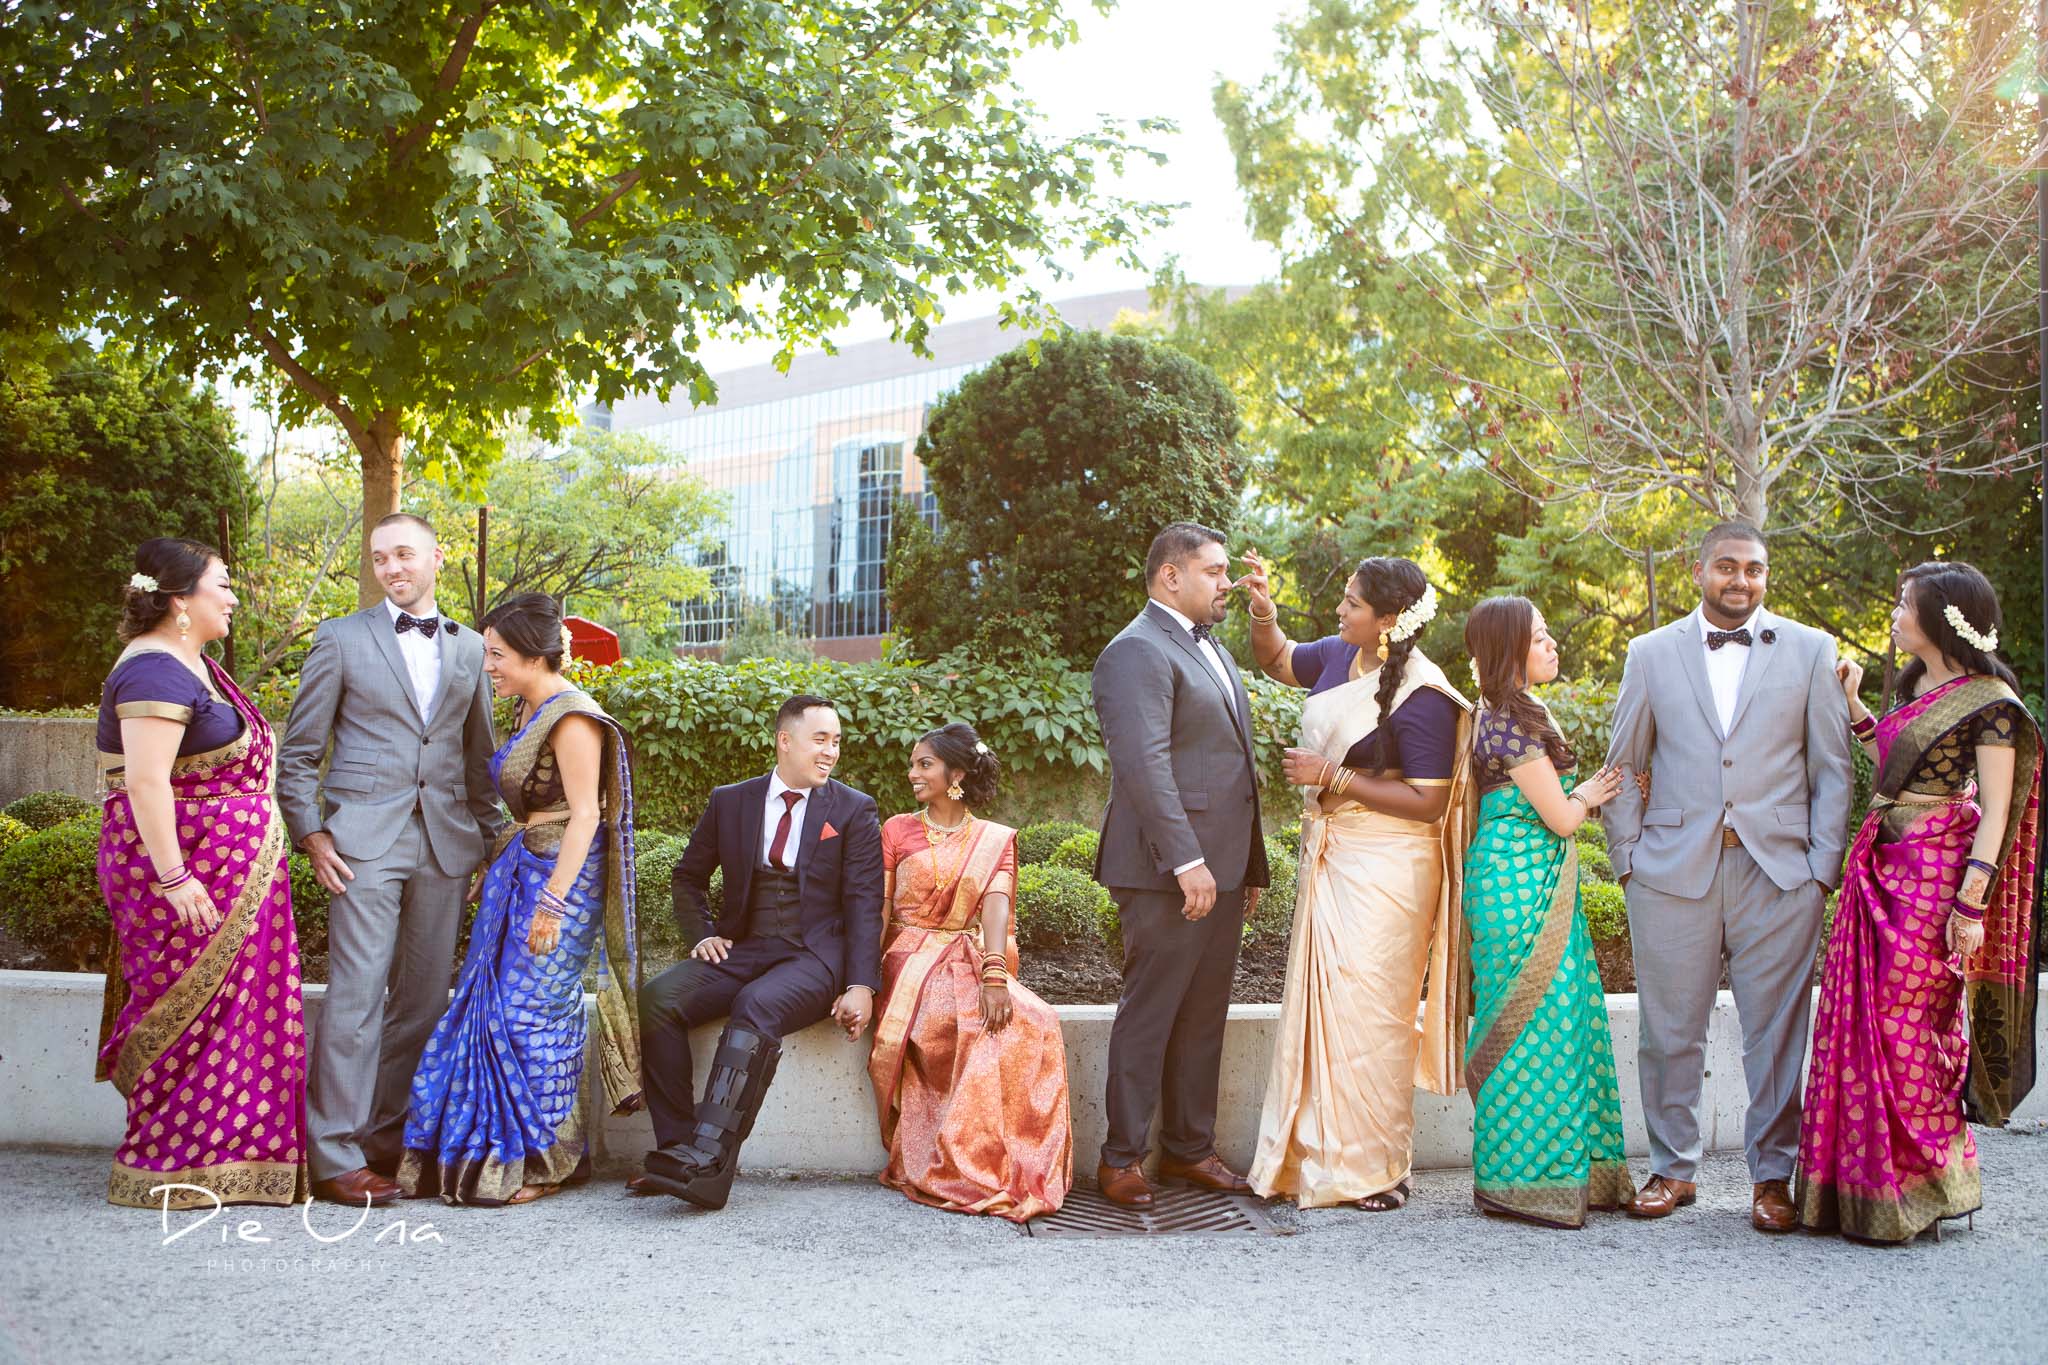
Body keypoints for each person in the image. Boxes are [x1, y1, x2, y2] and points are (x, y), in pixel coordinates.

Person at [1602, 521, 1854, 1232]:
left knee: (1775, 1033)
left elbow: (1832, 770)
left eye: (1755, 569)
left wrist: (1821, 872)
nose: (1741, 580)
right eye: (1727, 567)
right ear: (1699, 569)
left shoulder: (1811, 650)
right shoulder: (1650, 654)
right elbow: (1623, 764)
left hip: (1781, 874)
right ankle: (1673, 1166)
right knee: (1667, 1028)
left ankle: (1772, 1177)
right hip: (1671, 871)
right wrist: (1628, 861)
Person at [1797, 562, 2041, 1243]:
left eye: (1905, 604)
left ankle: (1921, 1185)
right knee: (1864, 1021)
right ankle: (1859, 1189)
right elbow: (1892, 770)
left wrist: (1971, 904)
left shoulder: (1990, 699)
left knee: (1910, 1023)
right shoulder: (1915, 685)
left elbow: (1995, 811)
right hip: (1882, 860)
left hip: (1936, 874)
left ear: (1942, 616)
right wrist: (1853, 704)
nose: (1897, 614)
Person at [277, 513, 503, 1207]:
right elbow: (300, 754)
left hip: (444, 844)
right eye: (379, 558)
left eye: (403, 554)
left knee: (423, 999)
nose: (392, 567)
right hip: (362, 844)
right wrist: (313, 834)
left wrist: (490, 848)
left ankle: (386, 1139)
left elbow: (479, 758)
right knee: (354, 996)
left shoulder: (469, 649)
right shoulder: (340, 638)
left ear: (436, 557)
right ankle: (335, 1153)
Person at [1240, 552, 1475, 1211]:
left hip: (1391, 864)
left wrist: (1331, 777)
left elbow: (1430, 800)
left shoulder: (1424, 695)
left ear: (1389, 621)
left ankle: (1375, 1166)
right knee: (1326, 1004)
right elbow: (1277, 659)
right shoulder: (1339, 656)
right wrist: (1263, 610)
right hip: (1335, 853)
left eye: (1352, 603)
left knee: (1371, 1010)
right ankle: (1314, 1154)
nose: (1339, 610)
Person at [397, 593, 643, 1205]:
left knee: (528, 1015)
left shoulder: (574, 716)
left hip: (564, 880)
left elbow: (586, 815)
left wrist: (552, 904)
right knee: (489, 1008)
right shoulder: (531, 711)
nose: (489, 666)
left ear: (535, 655)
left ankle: (546, 1160)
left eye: (498, 654)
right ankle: (504, 1154)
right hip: (524, 867)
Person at [94, 538, 308, 1209]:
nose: (233, 595)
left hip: (235, 878)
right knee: (187, 1015)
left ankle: (234, 1160)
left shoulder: (193, 664)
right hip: (187, 881)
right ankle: (169, 1163)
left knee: (238, 1021)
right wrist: (175, 877)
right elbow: (146, 781)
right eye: (223, 583)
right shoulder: (154, 671)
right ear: (181, 599)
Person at [633, 695, 885, 1209]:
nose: (831, 752)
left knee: (758, 1005)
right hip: (745, 947)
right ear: (784, 740)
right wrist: (701, 932)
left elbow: (864, 902)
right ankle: (677, 1151)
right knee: (658, 998)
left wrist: (861, 984)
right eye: (821, 739)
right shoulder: (733, 801)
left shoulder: (854, 809)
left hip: (815, 957)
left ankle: (709, 1164)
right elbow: (688, 877)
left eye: (836, 741)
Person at [1090, 523, 1270, 1208]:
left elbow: (1230, 769)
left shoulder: (1210, 646)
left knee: (1203, 1015)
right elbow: (1145, 768)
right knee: (1151, 1013)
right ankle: (1121, 1158)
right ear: (1172, 575)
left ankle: (1189, 1150)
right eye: (1215, 571)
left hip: (1220, 869)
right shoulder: (1135, 651)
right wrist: (1188, 860)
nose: (1228, 583)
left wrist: (1245, 865)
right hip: (1165, 870)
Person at [1461, 596, 1633, 1227]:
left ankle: (1549, 1174)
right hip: (1515, 885)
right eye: (1539, 637)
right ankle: (1522, 1179)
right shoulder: (1508, 721)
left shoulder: (1515, 711)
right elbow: (1560, 817)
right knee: (1532, 1028)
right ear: (1510, 650)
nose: (1552, 643)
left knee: (1554, 1025)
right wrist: (1586, 794)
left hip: (1526, 878)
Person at [867, 723, 1073, 1221]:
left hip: (967, 951)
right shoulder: (896, 829)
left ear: (956, 774)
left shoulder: (994, 839)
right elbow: (878, 908)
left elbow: (997, 906)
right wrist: (860, 978)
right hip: (908, 956)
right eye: (914, 763)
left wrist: (996, 975)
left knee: (1034, 1018)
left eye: (925, 764)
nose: (912, 772)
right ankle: (958, 1159)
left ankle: (1005, 1165)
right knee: (959, 1015)